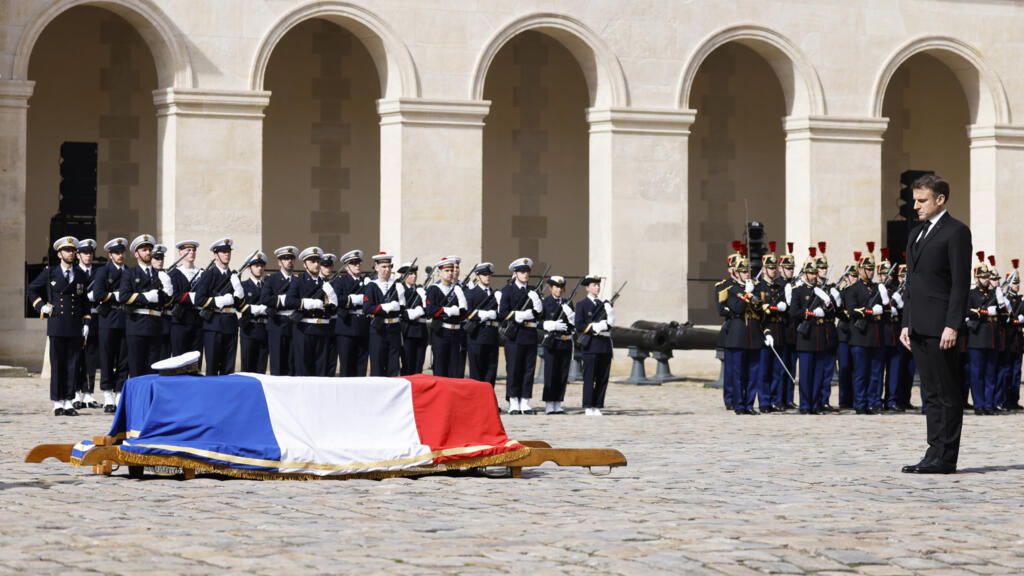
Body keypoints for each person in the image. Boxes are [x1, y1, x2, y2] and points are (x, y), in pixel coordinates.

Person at [899, 174, 972, 475]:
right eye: (914, 200)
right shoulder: (916, 233)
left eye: (921, 200)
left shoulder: (956, 232)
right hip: (918, 326)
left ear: (940, 199)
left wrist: (952, 324)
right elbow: (911, 283)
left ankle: (946, 457)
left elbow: (960, 283)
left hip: (942, 327)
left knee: (947, 393)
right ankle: (933, 451)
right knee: (930, 393)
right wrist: (906, 322)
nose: (915, 206)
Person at [27, 236, 90, 416]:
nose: (70, 253)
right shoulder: (50, 273)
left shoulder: (80, 275)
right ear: (59, 253)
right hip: (57, 324)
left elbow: (84, 301)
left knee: (73, 364)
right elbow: (31, 289)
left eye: (72, 250)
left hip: (75, 325)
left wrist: (87, 321)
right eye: (67, 250)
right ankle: (57, 401)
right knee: (58, 364)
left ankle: (69, 401)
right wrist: (41, 306)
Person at [789, 252, 836, 414]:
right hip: (806, 337)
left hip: (820, 336)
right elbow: (794, 312)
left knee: (818, 374)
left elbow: (832, 312)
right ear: (804, 274)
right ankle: (805, 405)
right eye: (811, 273)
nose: (814, 275)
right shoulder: (798, 291)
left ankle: (816, 404)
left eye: (816, 273)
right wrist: (811, 312)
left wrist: (828, 303)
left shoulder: (821, 290)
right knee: (806, 375)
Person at [120, 234, 171, 377]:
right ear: (136, 254)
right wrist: (145, 297)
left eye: (150, 250)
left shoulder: (159, 275)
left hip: (155, 325)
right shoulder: (129, 273)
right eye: (144, 250)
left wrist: (167, 292)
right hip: (137, 324)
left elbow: (166, 302)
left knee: (154, 368)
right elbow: (124, 297)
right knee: (136, 367)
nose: (148, 253)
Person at [845, 250, 887, 415]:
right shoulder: (853, 289)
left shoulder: (878, 288)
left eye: (872, 269)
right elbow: (851, 310)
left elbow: (887, 310)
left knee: (876, 374)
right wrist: (870, 311)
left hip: (876, 337)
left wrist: (884, 303)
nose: (870, 272)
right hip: (860, 337)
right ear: (860, 270)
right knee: (861, 373)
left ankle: (874, 402)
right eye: (867, 269)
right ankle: (860, 404)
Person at [720, 256, 764, 415]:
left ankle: (749, 404)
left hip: (754, 335)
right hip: (738, 336)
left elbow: (760, 309)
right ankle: (739, 405)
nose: (746, 274)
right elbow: (737, 308)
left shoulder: (756, 288)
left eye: (747, 271)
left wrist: (753, 296)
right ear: (736, 273)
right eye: (743, 272)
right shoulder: (731, 290)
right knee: (739, 374)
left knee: (753, 374)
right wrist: (746, 294)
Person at [498, 257, 543, 414]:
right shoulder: (508, 290)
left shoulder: (532, 291)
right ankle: (513, 401)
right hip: (515, 335)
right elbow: (502, 313)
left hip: (529, 334)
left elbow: (538, 314)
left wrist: (537, 304)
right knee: (514, 368)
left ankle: (525, 400)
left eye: (527, 272)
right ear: (514, 273)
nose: (525, 275)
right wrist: (519, 314)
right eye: (522, 272)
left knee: (528, 369)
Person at [195, 238, 242, 376]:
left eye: (228, 252)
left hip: (231, 324)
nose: (227, 254)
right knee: (213, 366)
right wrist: (218, 301)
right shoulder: (209, 274)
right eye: (223, 252)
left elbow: (239, 304)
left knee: (229, 368)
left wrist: (239, 292)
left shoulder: (234, 277)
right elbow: (199, 299)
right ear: (216, 255)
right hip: (213, 324)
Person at [93, 237, 129, 412]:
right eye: (116, 253)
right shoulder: (103, 272)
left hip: (125, 318)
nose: (120, 255)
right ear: (110, 255)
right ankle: (108, 393)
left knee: (124, 358)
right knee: (107, 357)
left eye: (122, 252)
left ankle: (120, 390)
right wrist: (115, 295)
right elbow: (98, 293)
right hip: (108, 318)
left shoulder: (129, 271)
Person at [285, 247, 334, 376]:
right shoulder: (298, 281)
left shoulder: (326, 283)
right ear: (304, 264)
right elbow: (289, 301)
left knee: (321, 369)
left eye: (318, 261)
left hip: (322, 329)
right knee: (303, 368)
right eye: (312, 261)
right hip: (304, 329)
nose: (316, 264)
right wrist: (305, 303)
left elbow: (333, 309)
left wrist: (332, 300)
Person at [575, 274, 615, 416]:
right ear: (587, 287)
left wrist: (609, 314)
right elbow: (579, 325)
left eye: (598, 285)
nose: (597, 287)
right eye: (594, 285)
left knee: (602, 377)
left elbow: (610, 325)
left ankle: (597, 405)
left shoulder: (603, 305)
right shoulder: (582, 305)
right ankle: (588, 405)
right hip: (591, 345)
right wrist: (594, 327)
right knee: (589, 377)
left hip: (604, 344)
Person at [964, 253, 997, 415]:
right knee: (977, 375)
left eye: (987, 277)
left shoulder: (993, 295)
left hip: (991, 338)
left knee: (990, 374)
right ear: (976, 279)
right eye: (982, 277)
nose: (986, 280)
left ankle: (988, 404)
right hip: (976, 339)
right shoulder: (971, 294)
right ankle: (979, 405)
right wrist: (984, 312)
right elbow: (967, 312)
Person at [425, 256, 467, 378]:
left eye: (451, 270)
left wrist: (462, 301)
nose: (450, 273)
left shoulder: (457, 289)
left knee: (454, 367)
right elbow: (430, 310)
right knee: (440, 365)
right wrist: (446, 310)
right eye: (446, 271)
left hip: (455, 332)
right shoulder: (434, 289)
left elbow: (464, 313)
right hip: (441, 332)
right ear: (439, 272)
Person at [364, 251, 405, 376]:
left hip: (394, 328)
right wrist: (385, 307)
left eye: (389, 266)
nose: (387, 269)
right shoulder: (371, 286)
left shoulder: (396, 285)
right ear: (376, 267)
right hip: (378, 329)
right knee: (377, 365)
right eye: (383, 267)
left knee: (393, 365)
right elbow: (367, 307)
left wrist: (400, 303)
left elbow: (402, 307)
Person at [756, 248, 786, 412]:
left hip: (779, 330)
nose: (773, 270)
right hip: (765, 332)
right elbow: (758, 310)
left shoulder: (780, 287)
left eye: (775, 268)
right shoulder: (759, 287)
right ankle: (764, 402)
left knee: (777, 370)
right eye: (770, 268)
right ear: (763, 269)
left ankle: (775, 400)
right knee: (764, 370)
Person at [261, 245, 297, 376]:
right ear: (279, 262)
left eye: (291, 258)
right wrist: (281, 300)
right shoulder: (272, 279)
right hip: (277, 323)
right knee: (277, 362)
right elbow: (264, 298)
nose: (289, 261)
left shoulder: (298, 280)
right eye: (285, 258)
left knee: (292, 362)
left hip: (293, 323)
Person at [540, 275, 574, 414]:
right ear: (550, 288)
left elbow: (573, 324)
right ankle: (549, 403)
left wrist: (571, 316)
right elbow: (538, 321)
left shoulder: (568, 303)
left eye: (561, 287)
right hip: (552, 341)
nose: (559, 290)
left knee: (562, 373)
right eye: (556, 287)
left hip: (565, 341)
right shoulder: (545, 303)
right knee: (551, 372)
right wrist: (548, 325)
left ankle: (558, 402)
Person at [333, 249, 370, 377]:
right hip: (346, 326)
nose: (358, 265)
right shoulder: (340, 281)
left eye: (359, 263)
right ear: (347, 267)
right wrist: (351, 299)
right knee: (347, 366)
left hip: (363, 327)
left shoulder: (367, 282)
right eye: (354, 263)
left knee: (361, 365)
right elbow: (336, 299)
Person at [74, 238, 100, 409]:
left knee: (91, 356)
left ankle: (88, 393)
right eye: (85, 253)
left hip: (95, 316)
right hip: (77, 318)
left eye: (90, 253)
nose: (88, 256)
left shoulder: (99, 273)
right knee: (76, 357)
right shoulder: (73, 272)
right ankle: (75, 392)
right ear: (78, 255)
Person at [465, 263, 501, 386]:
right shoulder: (471, 293)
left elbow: (503, 315)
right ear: (477, 276)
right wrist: (484, 314)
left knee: (491, 371)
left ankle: (489, 402)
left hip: (492, 336)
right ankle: (477, 403)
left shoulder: (496, 294)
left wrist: (496, 313)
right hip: (477, 336)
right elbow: (468, 314)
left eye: (489, 274)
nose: (487, 277)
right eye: (484, 275)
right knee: (477, 372)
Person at [169, 240, 204, 358]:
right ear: (180, 253)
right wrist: (192, 297)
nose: (192, 252)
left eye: (194, 250)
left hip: (197, 320)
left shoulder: (201, 273)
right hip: (180, 321)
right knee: (179, 358)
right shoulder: (174, 273)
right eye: (188, 250)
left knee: (195, 358)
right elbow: (174, 295)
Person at [240, 251, 269, 373]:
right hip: (249, 328)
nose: (260, 268)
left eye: (262, 266)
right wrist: (258, 309)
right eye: (256, 266)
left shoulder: (267, 286)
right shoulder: (243, 285)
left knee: (261, 366)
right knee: (248, 365)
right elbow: (241, 306)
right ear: (249, 268)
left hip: (264, 328)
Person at [397, 262, 429, 375]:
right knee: (408, 364)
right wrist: (418, 311)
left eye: (415, 273)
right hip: (407, 330)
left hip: (421, 330)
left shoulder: (421, 290)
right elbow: (402, 312)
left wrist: (424, 302)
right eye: (410, 274)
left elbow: (429, 310)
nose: (414, 276)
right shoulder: (400, 290)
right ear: (403, 276)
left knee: (418, 365)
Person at [151, 244, 173, 360]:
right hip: (150, 322)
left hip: (165, 322)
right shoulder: (148, 276)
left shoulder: (166, 276)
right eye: (156, 258)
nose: (160, 261)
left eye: (161, 258)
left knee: (164, 356)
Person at [320, 253, 339, 376]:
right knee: (321, 357)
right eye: (325, 265)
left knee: (332, 358)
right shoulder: (316, 282)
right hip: (320, 323)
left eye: (329, 266)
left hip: (334, 323)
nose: (328, 268)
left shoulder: (336, 282)